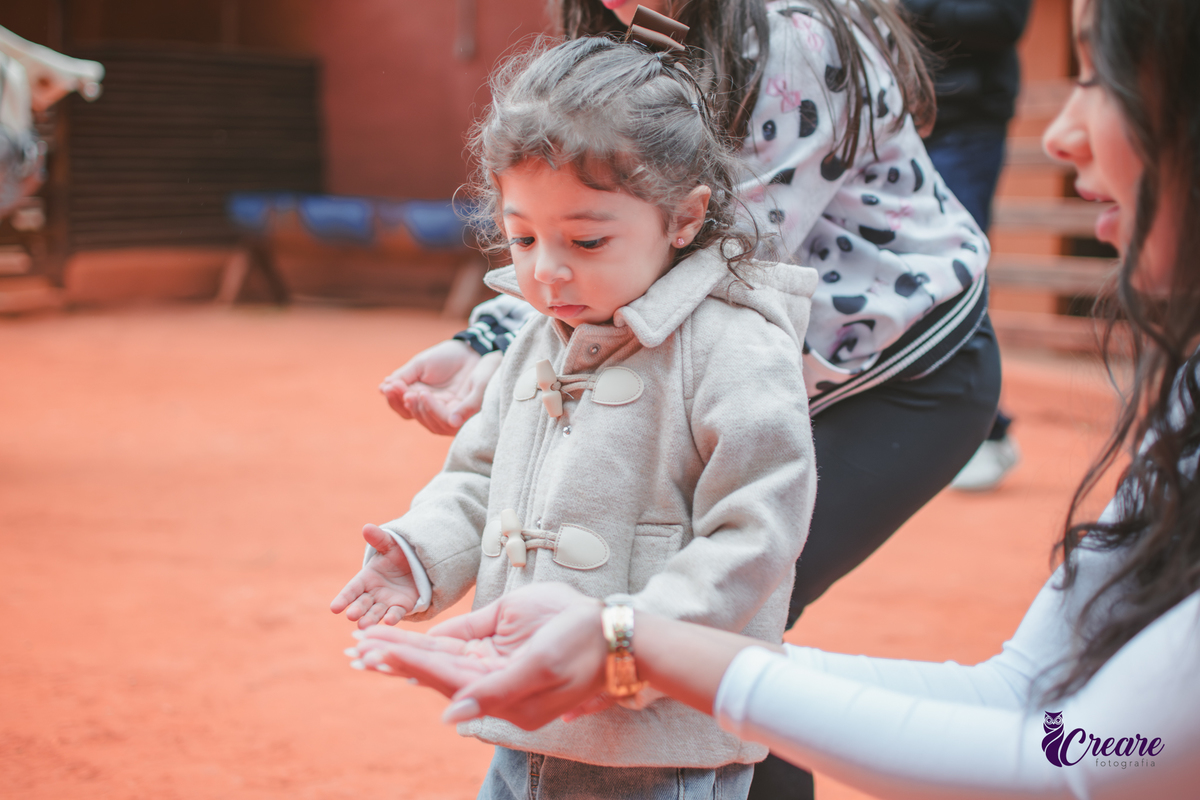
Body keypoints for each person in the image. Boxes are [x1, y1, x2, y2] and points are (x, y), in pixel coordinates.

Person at [349, 0, 1200, 794]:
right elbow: (1032, 707)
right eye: (517, 236)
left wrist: (633, 642)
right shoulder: (623, 79)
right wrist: (489, 346)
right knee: (676, 636)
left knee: (718, 602)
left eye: (1100, 80)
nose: (1060, 134)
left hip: (895, 371)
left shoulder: (790, 52)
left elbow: (720, 252)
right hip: (736, 354)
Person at [332, 34, 820, 800]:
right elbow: (480, 473)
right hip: (531, 717)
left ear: (685, 219)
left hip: (661, 740)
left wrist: (629, 648)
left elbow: (754, 536)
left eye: (586, 240)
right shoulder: (538, 333)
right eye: (522, 236)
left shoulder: (735, 349)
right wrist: (421, 553)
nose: (545, 270)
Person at [900, 0, 1033, 491]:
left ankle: (987, 431)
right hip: (908, 116)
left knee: (959, 268)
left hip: (967, 120)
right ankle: (945, 424)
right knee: (910, 267)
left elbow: (1004, 20)